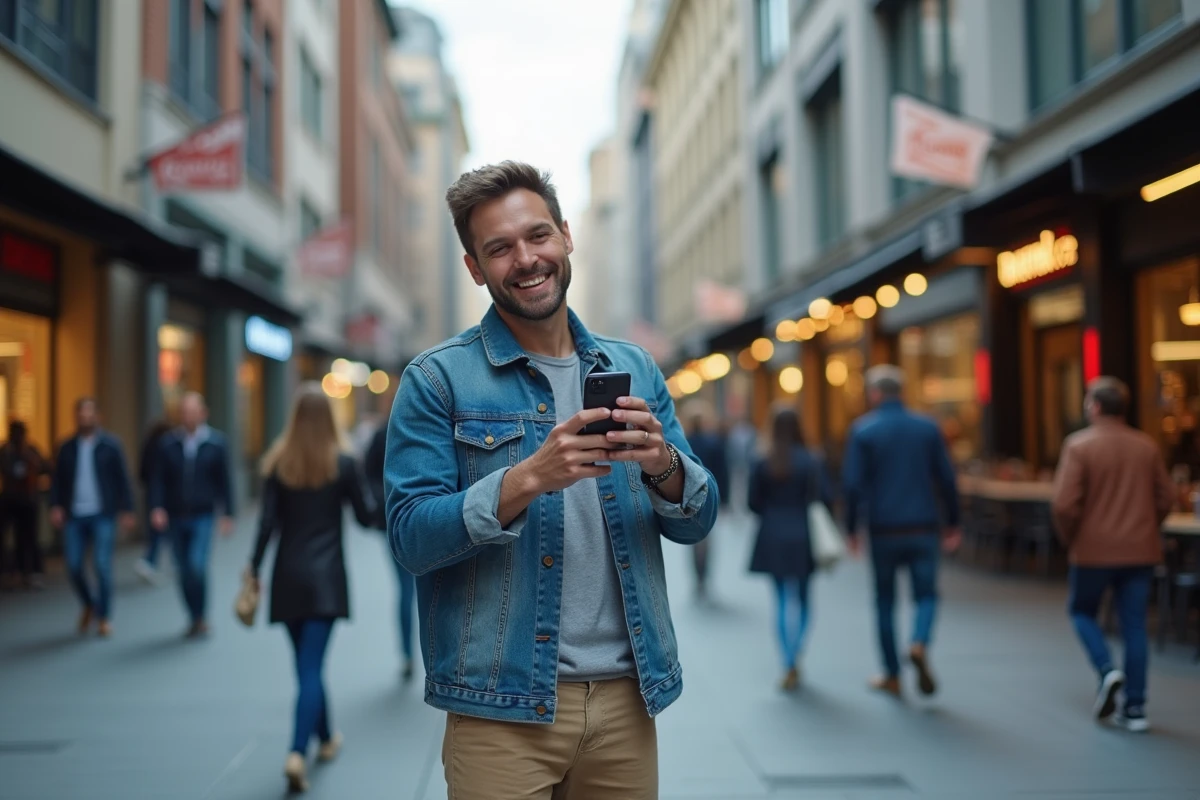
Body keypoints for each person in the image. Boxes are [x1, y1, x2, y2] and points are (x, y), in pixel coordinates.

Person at [386, 161, 720, 800]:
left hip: (628, 700)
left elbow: (698, 520)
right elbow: (410, 538)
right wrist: (527, 478)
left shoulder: (634, 366)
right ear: (475, 268)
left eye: (538, 235)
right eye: (499, 248)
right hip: (500, 707)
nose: (526, 259)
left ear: (566, 237)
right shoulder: (436, 379)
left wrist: (662, 464)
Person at [247, 383, 375, 792]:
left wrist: (253, 568)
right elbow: (365, 516)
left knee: (307, 666)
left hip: (288, 576)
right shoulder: (344, 464)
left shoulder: (279, 464)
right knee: (311, 668)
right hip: (326, 580)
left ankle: (326, 737)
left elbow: (267, 524)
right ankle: (296, 752)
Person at [1051, 377, 1174, 733]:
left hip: (1092, 552)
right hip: (1140, 551)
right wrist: (1146, 526)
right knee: (1134, 625)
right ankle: (1135, 709)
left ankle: (1106, 669)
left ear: (1095, 406)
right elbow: (1166, 497)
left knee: (1081, 611)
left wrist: (1071, 538)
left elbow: (1063, 504)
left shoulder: (1079, 446)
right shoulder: (1146, 446)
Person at [842, 365, 960, 698]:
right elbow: (947, 479)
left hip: (883, 529)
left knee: (885, 601)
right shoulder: (927, 428)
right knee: (927, 594)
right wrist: (953, 522)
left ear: (875, 393)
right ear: (902, 392)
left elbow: (852, 485)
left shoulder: (863, 430)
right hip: (923, 525)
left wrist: (851, 528)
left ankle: (892, 673)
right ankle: (919, 641)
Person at [748, 405, 833, 691]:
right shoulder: (811, 460)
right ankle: (796, 651)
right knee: (805, 597)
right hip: (804, 534)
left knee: (782, 598)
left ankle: (787, 660)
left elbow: (752, 503)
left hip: (772, 534)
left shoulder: (763, 460)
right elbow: (825, 497)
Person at [149, 392, 235, 638]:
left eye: (193, 411)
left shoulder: (216, 443)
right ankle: (193, 615)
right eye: (184, 412)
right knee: (183, 569)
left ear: (203, 413)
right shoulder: (168, 444)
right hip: (176, 515)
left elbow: (225, 481)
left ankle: (201, 615)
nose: (188, 416)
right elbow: (158, 480)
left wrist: (228, 513)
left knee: (197, 565)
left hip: (203, 515)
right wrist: (157, 507)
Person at [48, 398, 135, 637]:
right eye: (81, 415)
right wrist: (55, 506)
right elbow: (57, 480)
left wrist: (127, 509)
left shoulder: (111, 445)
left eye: (89, 415)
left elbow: (122, 479)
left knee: (102, 564)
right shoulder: (66, 447)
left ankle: (104, 617)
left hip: (102, 514)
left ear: (98, 416)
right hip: (75, 515)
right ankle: (89, 603)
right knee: (74, 565)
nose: (85, 419)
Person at [365, 420, 416, 680]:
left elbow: (368, 474)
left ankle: (408, 655)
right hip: (421, 519)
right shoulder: (387, 432)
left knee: (406, 590)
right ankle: (414, 654)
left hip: (396, 520)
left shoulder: (383, 431)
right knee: (420, 590)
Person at [683, 401, 729, 599]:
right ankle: (704, 576)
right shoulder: (714, 443)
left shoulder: (684, 443)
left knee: (694, 540)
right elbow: (723, 472)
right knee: (706, 539)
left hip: (687, 497)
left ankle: (698, 577)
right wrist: (724, 500)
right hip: (709, 495)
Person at [0, 420, 48, 589]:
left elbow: (44, 467)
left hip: (28, 499)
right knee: (8, 536)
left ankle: (33, 571)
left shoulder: (30, 450)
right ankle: (12, 571)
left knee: (29, 537)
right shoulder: (5, 451)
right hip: (10, 499)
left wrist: (31, 460)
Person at [135, 419, 173, 584]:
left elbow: (141, 472)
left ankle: (152, 561)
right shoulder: (169, 447)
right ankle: (150, 561)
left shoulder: (149, 445)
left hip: (151, 493)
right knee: (164, 531)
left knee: (157, 531)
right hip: (167, 495)